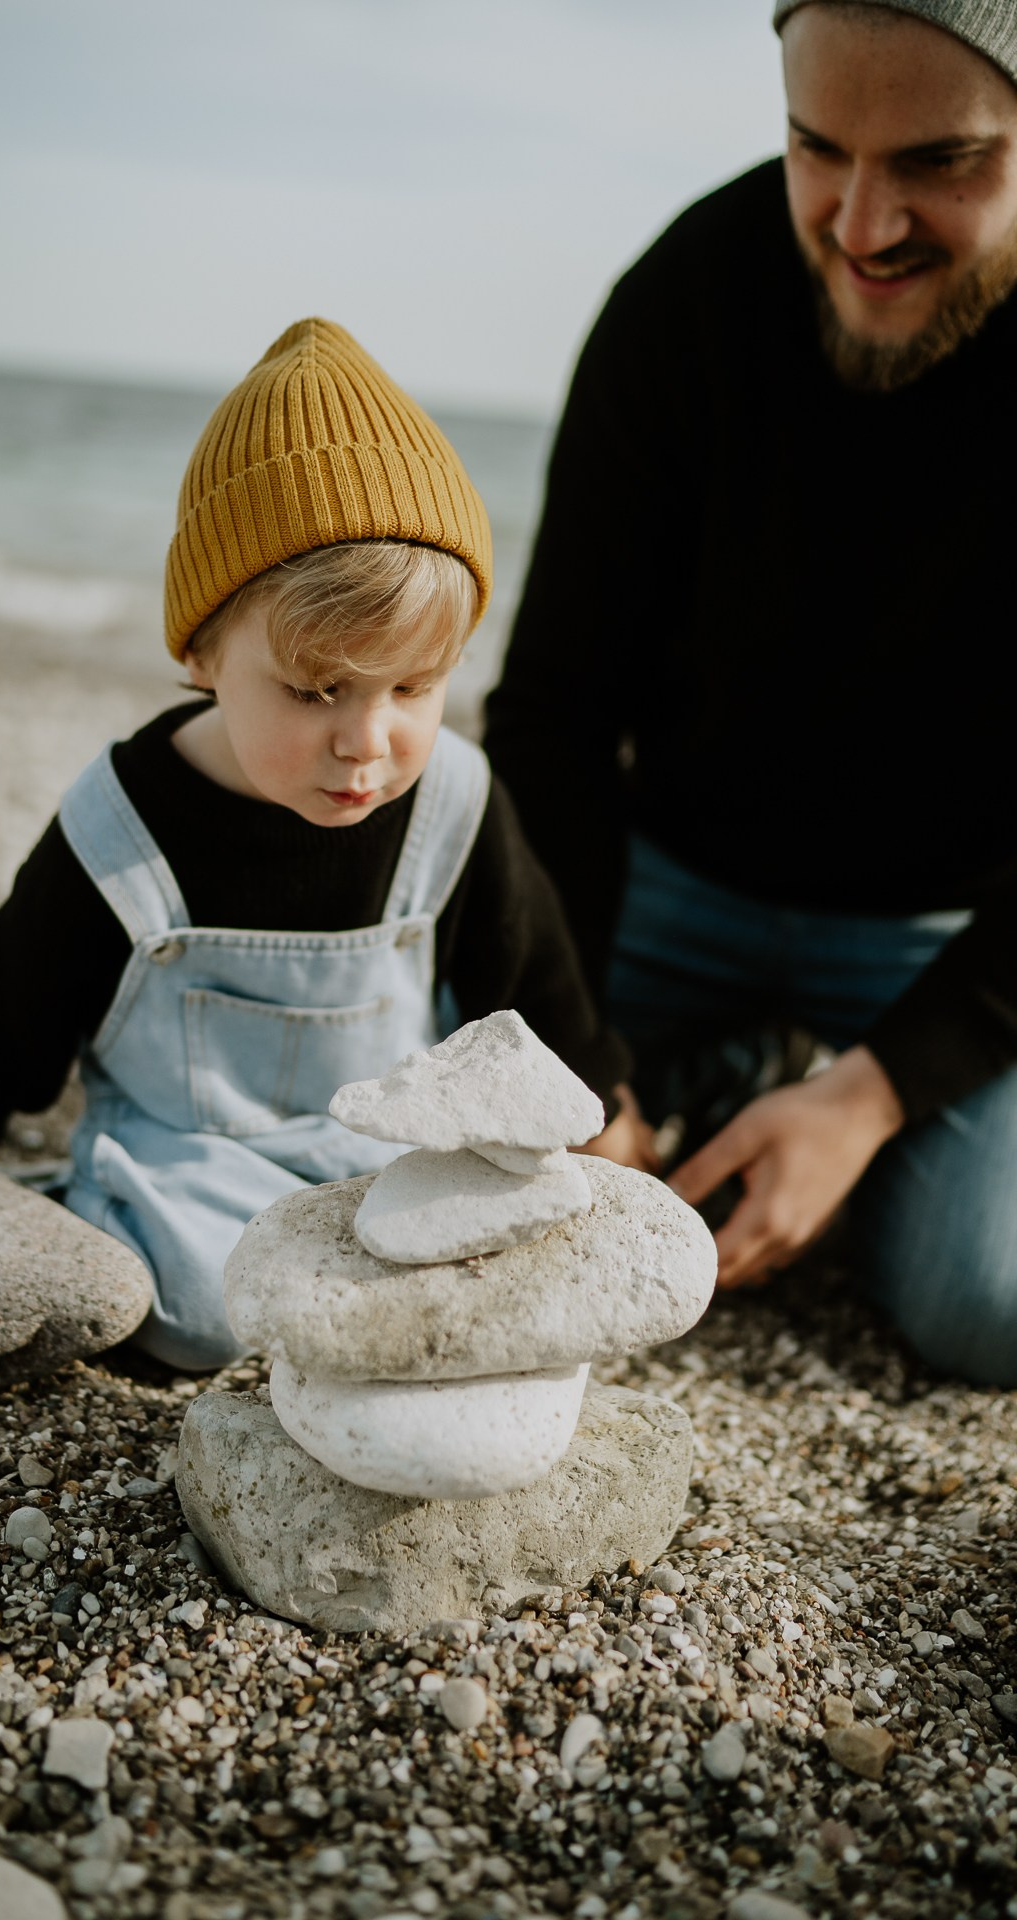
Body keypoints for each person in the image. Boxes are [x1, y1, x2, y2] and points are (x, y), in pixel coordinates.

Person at [0, 317, 632, 1371]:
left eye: (412, 686)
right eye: (317, 690)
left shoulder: (452, 797)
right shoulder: (125, 830)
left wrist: (600, 1105)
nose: (367, 740)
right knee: (195, 1307)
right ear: (199, 651)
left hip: (390, 1157)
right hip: (192, 1164)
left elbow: (531, 983)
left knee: (513, 1256)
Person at [484, 0, 1017, 1386]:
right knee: (449, 1143)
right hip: (669, 883)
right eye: (816, 146)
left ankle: (806, 1105)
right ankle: (716, 1082)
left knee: (986, 1303)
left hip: (949, 928)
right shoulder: (688, 298)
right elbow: (550, 710)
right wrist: (580, 1064)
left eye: (939, 161)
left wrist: (875, 1091)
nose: (860, 222)